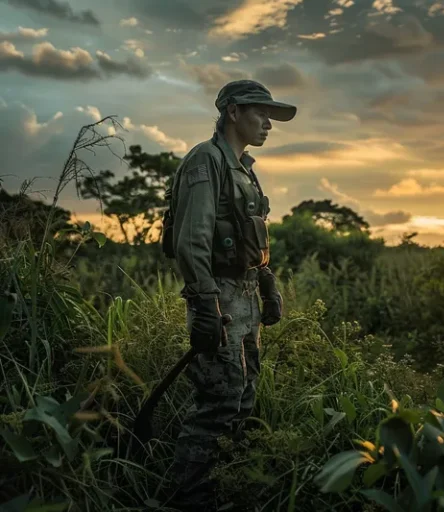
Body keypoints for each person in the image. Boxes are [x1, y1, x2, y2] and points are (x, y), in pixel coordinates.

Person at [161, 80, 297, 510]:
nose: (268, 124)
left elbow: (251, 235)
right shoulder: (207, 159)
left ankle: (226, 489)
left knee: (244, 395)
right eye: (260, 113)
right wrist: (205, 305)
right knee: (218, 402)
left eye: (271, 117)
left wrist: (267, 281)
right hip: (217, 294)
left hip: (244, 295)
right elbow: (192, 241)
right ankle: (188, 499)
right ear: (233, 112)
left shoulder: (244, 168)